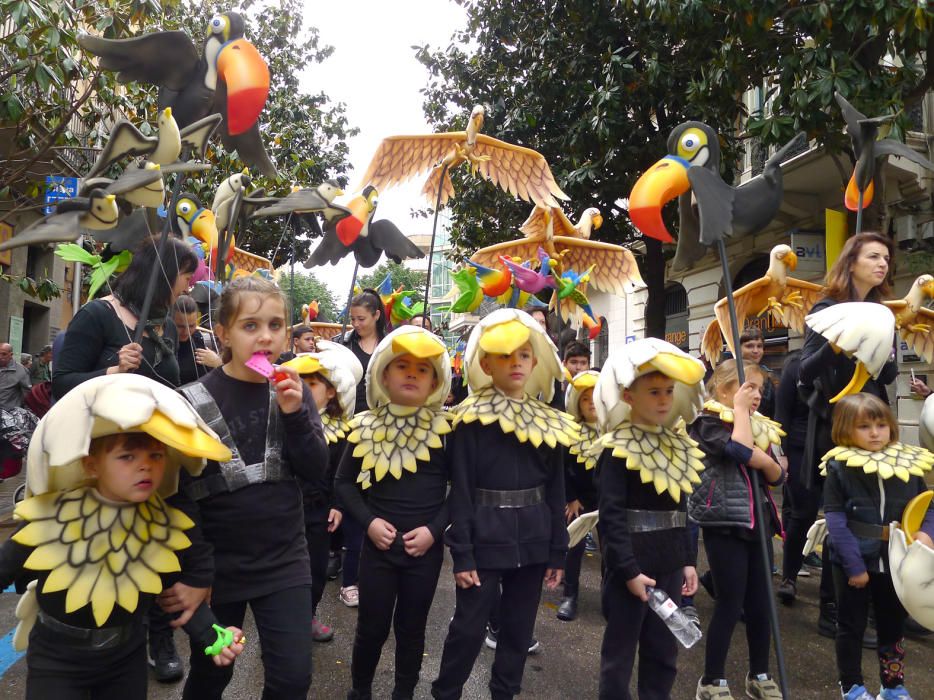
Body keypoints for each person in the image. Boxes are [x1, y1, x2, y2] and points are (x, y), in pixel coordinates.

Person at [0, 374, 244, 699]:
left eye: (156, 456)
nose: (145, 467)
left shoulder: (163, 526)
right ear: (91, 465)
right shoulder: (50, 517)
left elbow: (176, 594)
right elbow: (5, 566)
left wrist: (213, 637)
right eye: (127, 457)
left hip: (125, 659)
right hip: (56, 659)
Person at [170, 276, 329, 700]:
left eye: (276, 325)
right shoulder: (190, 401)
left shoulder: (294, 392)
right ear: (223, 333)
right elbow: (179, 494)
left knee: (292, 678)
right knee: (212, 673)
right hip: (217, 568)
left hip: (284, 561)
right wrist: (196, 571)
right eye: (251, 326)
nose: (266, 337)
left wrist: (295, 413)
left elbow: (316, 472)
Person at [432, 308, 575, 700]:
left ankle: (504, 694)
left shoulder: (550, 421)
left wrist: (557, 552)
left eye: (524, 355)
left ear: (535, 361)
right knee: (468, 628)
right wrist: (462, 554)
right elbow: (460, 489)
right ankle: (446, 692)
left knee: (517, 631)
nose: (516, 363)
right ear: (485, 363)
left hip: (533, 541)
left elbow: (556, 490)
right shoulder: (469, 421)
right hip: (482, 542)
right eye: (505, 356)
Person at [336, 326, 452, 700]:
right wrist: (368, 523)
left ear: (436, 380)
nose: (412, 373)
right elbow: (343, 484)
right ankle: (360, 689)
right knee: (371, 627)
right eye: (402, 365)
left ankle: (404, 691)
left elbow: (462, 493)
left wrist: (435, 531)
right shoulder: (366, 426)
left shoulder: (448, 430)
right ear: (384, 373)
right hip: (379, 550)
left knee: (412, 627)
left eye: (423, 368)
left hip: (426, 551)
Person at [594, 339, 705, 700]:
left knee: (664, 653)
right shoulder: (616, 450)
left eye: (669, 392)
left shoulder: (677, 447)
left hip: (670, 566)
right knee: (620, 654)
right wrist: (626, 570)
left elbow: (681, 510)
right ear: (628, 397)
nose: (663, 400)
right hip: (631, 569)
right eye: (653, 391)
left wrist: (688, 561)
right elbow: (611, 517)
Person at [798, 231, 897, 639]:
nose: (883, 264)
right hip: (837, 427)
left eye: (887, 259)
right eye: (874, 256)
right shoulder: (826, 308)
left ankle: (879, 603)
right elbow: (805, 370)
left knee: (878, 512)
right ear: (851, 261)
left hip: (874, 423)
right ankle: (832, 607)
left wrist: (884, 346)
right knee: (842, 515)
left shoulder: (882, 312)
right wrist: (838, 345)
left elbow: (888, 375)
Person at [821, 393, 934, 700]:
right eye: (864, 426)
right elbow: (835, 519)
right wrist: (853, 566)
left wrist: (927, 534)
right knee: (851, 626)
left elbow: (928, 505)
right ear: (846, 429)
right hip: (852, 559)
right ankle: (852, 686)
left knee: (892, 626)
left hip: (896, 562)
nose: (875, 432)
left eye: (881, 425)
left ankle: (893, 685)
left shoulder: (908, 467)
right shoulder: (840, 468)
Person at [689, 359, 786, 700]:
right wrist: (745, 423)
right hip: (725, 522)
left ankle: (759, 674)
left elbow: (777, 475)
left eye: (759, 389)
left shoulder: (759, 425)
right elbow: (741, 451)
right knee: (730, 604)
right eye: (748, 388)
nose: (756, 395)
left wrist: (767, 461)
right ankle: (711, 680)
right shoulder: (707, 423)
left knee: (761, 604)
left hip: (758, 521)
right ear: (723, 389)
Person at [282, 340, 364, 644]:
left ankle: (310, 615)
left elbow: (342, 476)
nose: (304, 388)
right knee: (287, 575)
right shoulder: (285, 422)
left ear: (331, 391)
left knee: (316, 570)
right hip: (287, 511)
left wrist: (338, 505)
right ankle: (282, 629)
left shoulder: (341, 430)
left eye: (313, 383)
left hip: (319, 511)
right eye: (300, 380)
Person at [53, 238, 199, 399]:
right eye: (186, 278)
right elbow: (61, 385)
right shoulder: (96, 314)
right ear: (165, 275)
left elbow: (172, 387)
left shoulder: (168, 326)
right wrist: (115, 371)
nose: (187, 289)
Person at [336, 288, 389, 608]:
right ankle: (349, 580)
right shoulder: (344, 348)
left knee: (380, 502)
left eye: (361, 319)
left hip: (385, 431)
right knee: (354, 503)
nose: (356, 324)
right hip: (351, 429)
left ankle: (375, 575)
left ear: (376, 316)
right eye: (352, 319)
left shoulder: (391, 345)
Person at [556, 369, 600, 622]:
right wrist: (572, 498)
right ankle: (569, 595)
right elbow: (563, 469)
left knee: (613, 548)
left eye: (596, 396)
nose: (591, 402)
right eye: (585, 398)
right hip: (578, 503)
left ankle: (611, 594)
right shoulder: (571, 433)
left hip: (606, 501)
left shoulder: (612, 431)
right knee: (574, 546)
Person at [174, 295, 222, 385]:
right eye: (181, 326)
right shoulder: (165, 343)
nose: (186, 331)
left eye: (191, 326)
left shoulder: (202, 339)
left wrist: (217, 363)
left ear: (197, 321)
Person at [737, 328, 775, 418]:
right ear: (738, 348)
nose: (755, 351)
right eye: (749, 346)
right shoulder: (729, 374)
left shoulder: (767, 376)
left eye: (759, 346)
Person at [0, 342, 31, 410]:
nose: (0, 357)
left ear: (11, 355)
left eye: (4, 354)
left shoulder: (21, 371)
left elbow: (27, 395)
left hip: (8, 414)